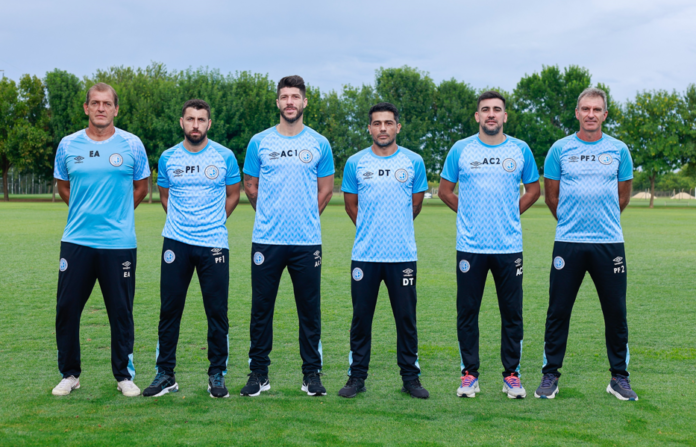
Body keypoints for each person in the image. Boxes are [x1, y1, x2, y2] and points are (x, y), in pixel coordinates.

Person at [535, 87, 637, 401]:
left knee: (616, 312)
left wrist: (601, 220)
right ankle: (550, 375)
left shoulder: (619, 150)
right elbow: (551, 197)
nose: (590, 114)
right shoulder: (559, 149)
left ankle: (619, 378)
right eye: (585, 109)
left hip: (609, 243)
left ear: (605, 114)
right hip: (568, 243)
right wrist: (572, 222)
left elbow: (622, 197)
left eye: (596, 109)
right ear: (577, 113)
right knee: (558, 311)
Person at [439, 91, 540, 399]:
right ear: (477, 116)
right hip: (471, 247)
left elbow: (533, 190)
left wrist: (511, 213)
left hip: (508, 247)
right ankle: (469, 374)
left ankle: (512, 376)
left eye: (497, 109)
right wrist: (469, 214)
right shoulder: (461, 149)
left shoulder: (520, 149)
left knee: (512, 314)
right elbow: (445, 191)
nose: (491, 114)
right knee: (467, 312)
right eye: (485, 109)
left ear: (505, 116)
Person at [52, 83, 150, 397]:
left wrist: (116, 215)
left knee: (121, 312)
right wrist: (85, 212)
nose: (101, 108)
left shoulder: (132, 144)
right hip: (76, 241)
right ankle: (70, 374)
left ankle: (124, 375)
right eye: (95, 103)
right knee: (67, 309)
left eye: (107, 103)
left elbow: (141, 188)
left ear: (116, 109)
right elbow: (63, 186)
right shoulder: (68, 145)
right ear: (86, 108)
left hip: (118, 244)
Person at [241, 75, 334, 397]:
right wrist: (270, 214)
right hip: (267, 240)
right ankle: (259, 373)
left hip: (306, 242)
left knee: (309, 310)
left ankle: (311, 374)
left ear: (304, 102)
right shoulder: (259, 142)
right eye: (285, 97)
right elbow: (251, 185)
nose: (290, 102)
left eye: (295, 97)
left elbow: (325, 190)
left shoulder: (319, 143)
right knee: (261, 309)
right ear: (278, 102)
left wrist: (304, 215)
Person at [142, 99, 241, 398]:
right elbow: (165, 196)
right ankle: (165, 374)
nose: (195, 125)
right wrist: (182, 224)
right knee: (169, 310)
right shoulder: (168, 157)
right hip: (176, 243)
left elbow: (233, 195)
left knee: (217, 312)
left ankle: (217, 374)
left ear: (209, 123)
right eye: (190, 119)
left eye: (201, 119)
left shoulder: (225, 156)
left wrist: (212, 222)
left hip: (214, 244)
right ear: (182, 122)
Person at [338, 102, 430, 399]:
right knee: (361, 320)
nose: (382, 128)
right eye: (377, 123)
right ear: (369, 128)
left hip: (402, 256)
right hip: (365, 256)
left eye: (388, 123)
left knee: (406, 320)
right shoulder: (355, 162)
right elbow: (351, 206)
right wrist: (371, 229)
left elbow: (415, 204)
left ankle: (410, 378)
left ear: (397, 127)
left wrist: (394, 228)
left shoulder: (414, 161)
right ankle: (356, 377)